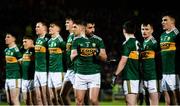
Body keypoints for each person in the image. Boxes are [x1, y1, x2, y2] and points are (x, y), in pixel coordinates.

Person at [71, 19, 107, 105]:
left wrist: (98, 54)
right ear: (83, 28)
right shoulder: (76, 40)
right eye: (90, 28)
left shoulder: (98, 40)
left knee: (93, 100)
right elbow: (72, 57)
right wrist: (78, 53)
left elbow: (104, 57)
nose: (93, 30)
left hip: (94, 73)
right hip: (80, 74)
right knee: (79, 102)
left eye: (93, 27)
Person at [113, 20, 140, 105]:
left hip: (130, 77)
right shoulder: (138, 43)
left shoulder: (127, 43)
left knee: (130, 103)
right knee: (133, 103)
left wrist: (115, 74)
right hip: (137, 76)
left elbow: (123, 61)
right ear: (134, 31)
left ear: (124, 30)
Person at [160, 13, 180, 105]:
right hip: (164, 72)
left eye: (165, 20)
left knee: (177, 98)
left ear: (172, 22)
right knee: (167, 100)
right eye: (162, 20)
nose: (162, 22)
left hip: (174, 72)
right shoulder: (162, 36)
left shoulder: (176, 33)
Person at [140, 21, 159, 105]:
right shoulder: (144, 43)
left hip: (153, 77)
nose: (144, 31)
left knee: (153, 103)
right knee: (147, 101)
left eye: (147, 29)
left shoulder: (154, 43)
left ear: (152, 30)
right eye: (142, 29)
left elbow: (159, 60)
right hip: (145, 76)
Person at [47, 21, 66, 105]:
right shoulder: (49, 41)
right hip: (50, 71)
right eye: (49, 26)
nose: (49, 28)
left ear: (58, 29)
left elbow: (66, 54)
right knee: (52, 97)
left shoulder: (60, 41)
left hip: (58, 71)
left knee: (59, 96)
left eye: (52, 27)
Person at [60, 16, 76, 105]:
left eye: (67, 22)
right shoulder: (69, 36)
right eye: (65, 22)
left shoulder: (75, 35)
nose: (65, 24)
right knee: (62, 95)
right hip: (69, 69)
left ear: (73, 24)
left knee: (80, 98)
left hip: (75, 69)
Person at [34, 21, 49, 105]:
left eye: (38, 26)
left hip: (44, 71)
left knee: (45, 96)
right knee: (38, 97)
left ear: (44, 28)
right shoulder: (37, 39)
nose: (36, 28)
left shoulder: (48, 39)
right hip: (37, 71)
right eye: (36, 27)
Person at [4, 32, 22, 105]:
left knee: (15, 100)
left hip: (15, 77)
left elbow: (22, 64)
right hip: (8, 77)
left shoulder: (16, 50)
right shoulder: (6, 50)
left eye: (8, 37)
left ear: (14, 39)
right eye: (5, 37)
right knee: (9, 101)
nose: (5, 39)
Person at [21, 35, 35, 105]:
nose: (23, 43)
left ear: (31, 41)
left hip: (32, 78)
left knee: (34, 100)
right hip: (24, 79)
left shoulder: (36, 50)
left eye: (25, 41)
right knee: (26, 100)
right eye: (23, 42)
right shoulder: (24, 51)